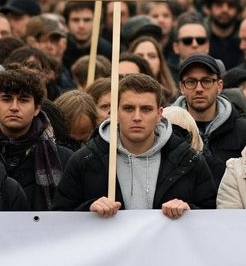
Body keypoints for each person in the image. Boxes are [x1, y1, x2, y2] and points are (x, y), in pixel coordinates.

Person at [53, 74, 216, 217]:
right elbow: (60, 217)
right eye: (129, 108)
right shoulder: (85, 160)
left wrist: (189, 211)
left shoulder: (188, 160)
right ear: (115, 112)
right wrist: (88, 209)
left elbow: (211, 216)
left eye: (146, 109)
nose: (137, 117)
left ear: (159, 114)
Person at [0, 68, 72, 210]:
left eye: (23, 100)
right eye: (6, 99)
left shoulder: (63, 159)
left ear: (37, 108)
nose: (14, 107)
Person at [171, 54, 246, 184]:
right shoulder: (168, 129)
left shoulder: (245, 131)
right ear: (181, 87)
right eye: (191, 82)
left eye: (206, 81)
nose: (199, 89)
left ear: (219, 86)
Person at [128, 37, 178, 102]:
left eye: (152, 56)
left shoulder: (174, 99)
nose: (146, 60)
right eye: (139, 56)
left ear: (160, 62)